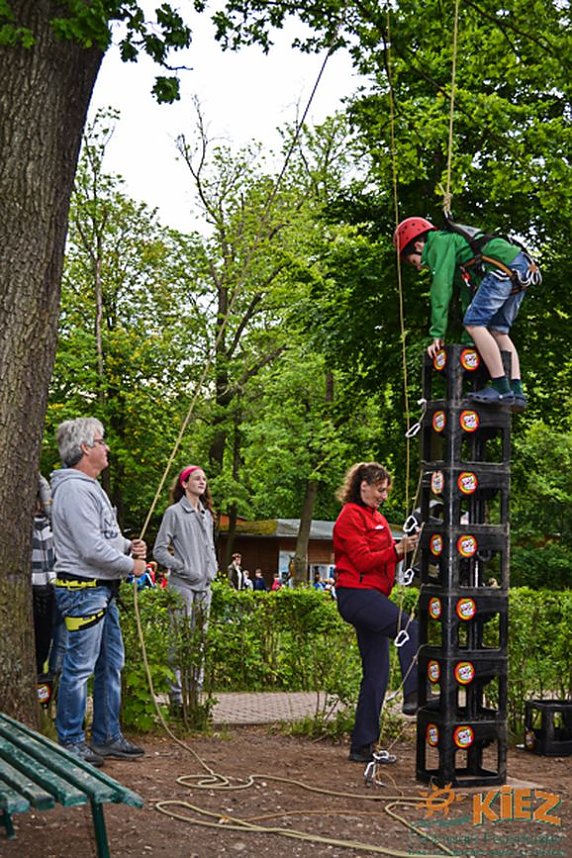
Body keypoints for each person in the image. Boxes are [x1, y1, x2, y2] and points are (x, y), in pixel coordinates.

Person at [50, 418, 148, 766]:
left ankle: (107, 735)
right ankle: (71, 741)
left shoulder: (90, 486)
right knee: (79, 668)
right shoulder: (74, 490)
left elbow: (103, 538)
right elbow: (90, 548)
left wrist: (126, 545)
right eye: (101, 441)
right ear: (85, 448)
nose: (107, 448)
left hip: (100, 589)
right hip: (83, 590)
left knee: (111, 663)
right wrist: (130, 566)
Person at [394, 216, 540, 411]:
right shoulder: (458, 249)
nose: (420, 267)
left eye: (415, 261)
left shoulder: (438, 242)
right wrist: (469, 343)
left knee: (474, 324)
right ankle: (516, 391)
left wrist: (437, 334)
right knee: (498, 331)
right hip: (520, 268)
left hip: (501, 270)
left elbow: (441, 288)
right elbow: (468, 294)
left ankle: (501, 388)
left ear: (419, 245)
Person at [333, 462, 419, 763]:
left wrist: (408, 546)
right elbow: (363, 560)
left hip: (371, 597)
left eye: (386, 491)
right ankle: (414, 695)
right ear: (363, 486)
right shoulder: (349, 516)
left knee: (377, 675)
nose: (383, 495)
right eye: (380, 489)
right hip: (356, 596)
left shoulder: (377, 518)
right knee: (410, 628)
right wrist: (398, 550)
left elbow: (385, 556)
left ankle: (362, 746)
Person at [153, 465, 218, 711]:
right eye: (197, 478)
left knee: (199, 641)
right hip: (182, 586)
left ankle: (195, 697)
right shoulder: (174, 513)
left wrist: (212, 569)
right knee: (179, 641)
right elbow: (159, 550)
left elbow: (209, 547)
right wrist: (181, 568)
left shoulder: (206, 515)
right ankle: (177, 700)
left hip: (205, 586)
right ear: (184, 483)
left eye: (204, 479)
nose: (202, 482)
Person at [31, 477, 56, 676]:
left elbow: (44, 485)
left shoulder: (51, 522)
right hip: (32, 588)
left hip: (52, 587)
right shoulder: (23, 526)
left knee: (48, 641)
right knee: (36, 640)